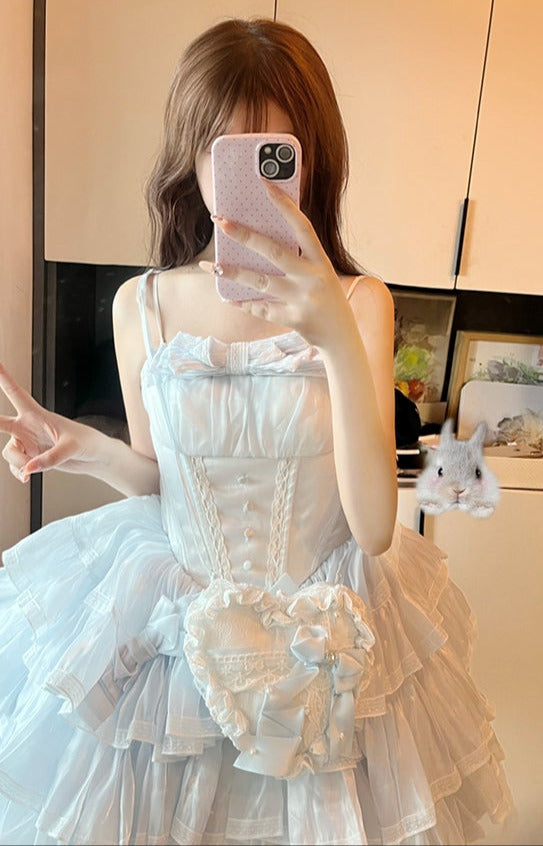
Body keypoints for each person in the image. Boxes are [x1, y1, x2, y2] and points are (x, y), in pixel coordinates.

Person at [0, 17, 512, 846]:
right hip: (175, 644)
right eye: (226, 151)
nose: (249, 177)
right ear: (191, 154)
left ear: (312, 160)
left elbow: (374, 529)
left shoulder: (360, 304)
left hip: (329, 636)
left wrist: (332, 335)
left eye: (275, 153)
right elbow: (159, 482)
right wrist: (83, 448)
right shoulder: (143, 304)